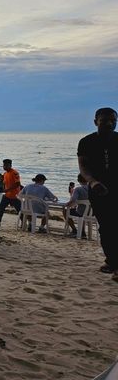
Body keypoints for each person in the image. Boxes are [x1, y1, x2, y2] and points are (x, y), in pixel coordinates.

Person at [77, 107, 118, 282]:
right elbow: (83, 167)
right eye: (104, 121)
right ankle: (112, 261)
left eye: (113, 121)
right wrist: (93, 182)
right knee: (107, 227)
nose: (109, 124)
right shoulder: (86, 142)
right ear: (96, 122)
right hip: (98, 190)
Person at [0, 159, 22, 226]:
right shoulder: (5, 174)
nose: (4, 167)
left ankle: (24, 222)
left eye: (6, 165)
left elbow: (17, 184)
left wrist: (8, 189)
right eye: (4, 165)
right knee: (0, 208)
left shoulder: (14, 173)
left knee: (20, 210)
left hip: (15, 196)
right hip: (7, 195)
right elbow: (4, 183)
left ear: (10, 165)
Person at [64, 174, 89, 238]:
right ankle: (82, 232)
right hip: (91, 213)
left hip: (80, 213)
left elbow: (73, 200)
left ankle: (74, 230)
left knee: (65, 211)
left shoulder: (78, 189)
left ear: (78, 180)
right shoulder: (93, 189)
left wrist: (67, 204)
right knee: (82, 213)